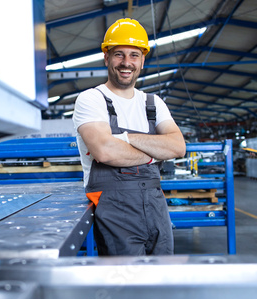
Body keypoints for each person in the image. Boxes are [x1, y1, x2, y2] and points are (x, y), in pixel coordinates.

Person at [72, 18, 186, 256]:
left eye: (134, 55)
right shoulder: (92, 99)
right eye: (119, 54)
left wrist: (124, 138)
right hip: (114, 206)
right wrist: (154, 154)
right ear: (106, 58)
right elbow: (104, 150)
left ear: (143, 60)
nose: (126, 63)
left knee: (162, 273)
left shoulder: (154, 103)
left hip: (155, 203)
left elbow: (177, 147)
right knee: (126, 279)